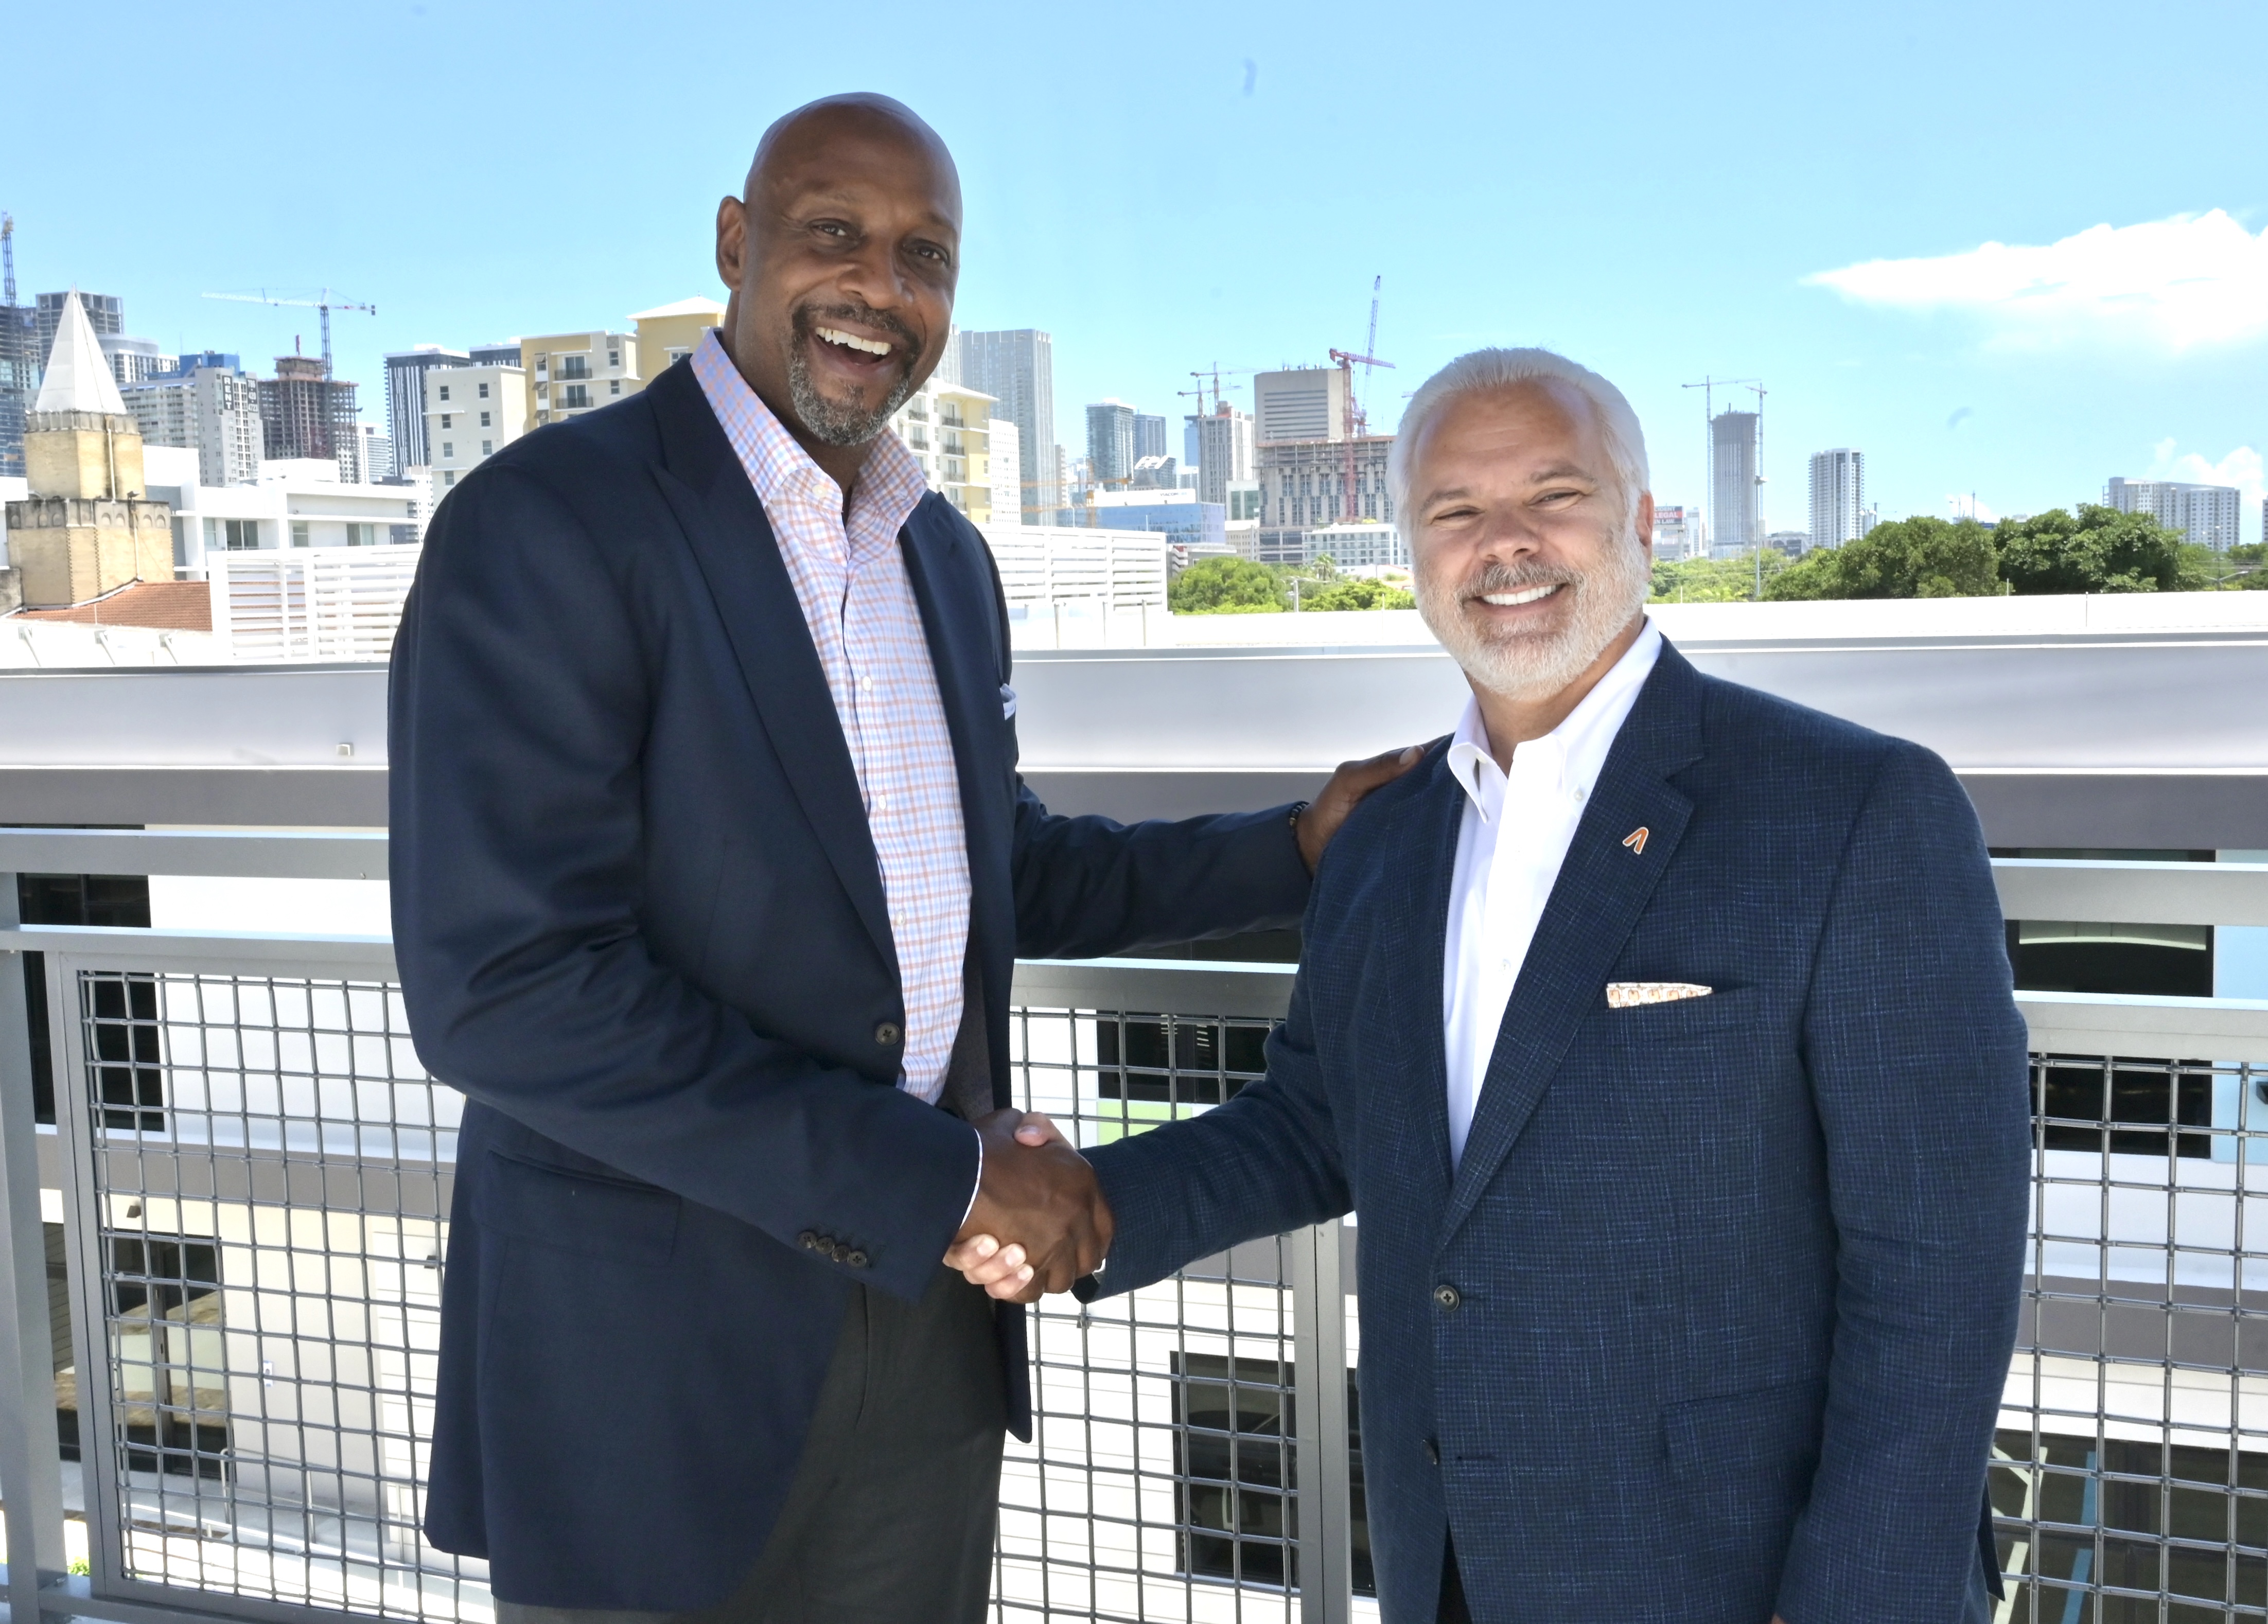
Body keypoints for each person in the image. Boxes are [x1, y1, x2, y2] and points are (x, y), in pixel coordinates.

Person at [387, 93, 1409, 1624]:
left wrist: (1292, 847)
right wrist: (937, 1178)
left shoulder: (941, 556)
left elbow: (1000, 870)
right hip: (651, 1359)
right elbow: (508, 990)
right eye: (833, 236)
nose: (881, 287)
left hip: (922, 1325)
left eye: (924, 255)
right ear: (738, 245)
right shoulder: (548, 522)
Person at [953, 348, 2029, 1624]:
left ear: (1640, 521)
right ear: (1411, 554)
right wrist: (1085, 1207)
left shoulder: (1853, 808)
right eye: (1455, 513)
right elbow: (1315, 1125)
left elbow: (1938, 1273)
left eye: (1552, 496)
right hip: (1449, 1560)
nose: (1504, 545)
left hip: (1737, 1577)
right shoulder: (1388, 835)